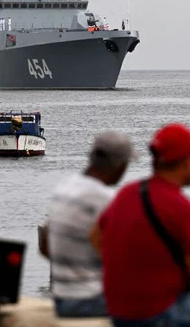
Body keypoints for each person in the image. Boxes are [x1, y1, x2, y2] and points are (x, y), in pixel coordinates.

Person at [90, 123, 190, 327]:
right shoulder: (184, 210)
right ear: (185, 162)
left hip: (118, 310)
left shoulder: (127, 193)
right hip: (157, 313)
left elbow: (95, 236)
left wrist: (126, 271)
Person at [40, 131, 135, 318]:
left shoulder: (63, 188)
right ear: (120, 166)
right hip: (91, 301)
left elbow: (45, 246)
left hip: (60, 297)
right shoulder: (104, 199)